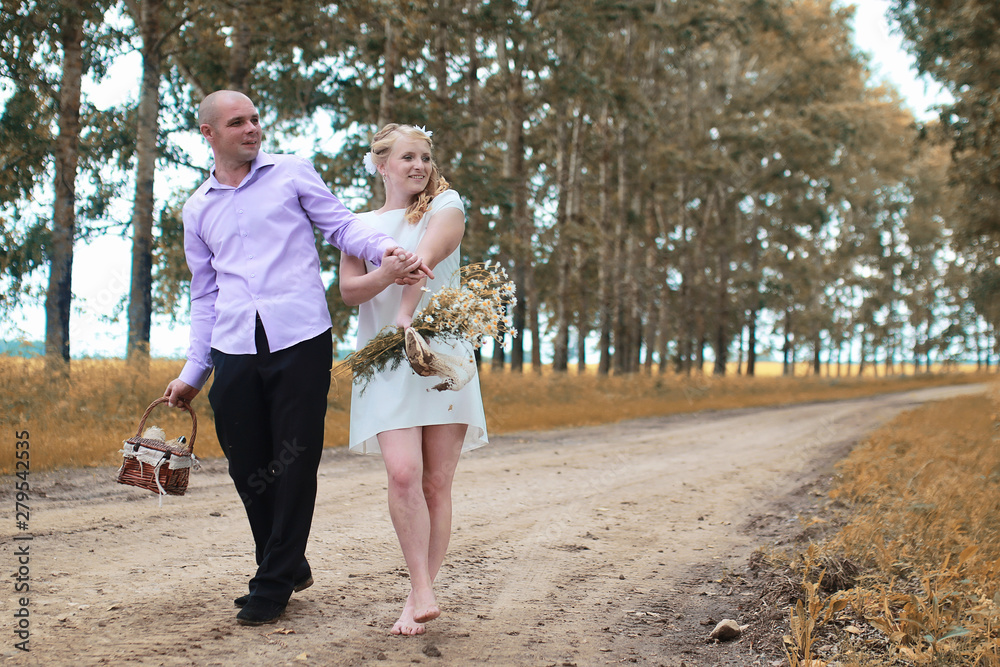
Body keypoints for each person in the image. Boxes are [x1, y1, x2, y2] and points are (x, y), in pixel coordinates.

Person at [162, 91, 432, 627]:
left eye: (256, 119)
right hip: (235, 345)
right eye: (237, 122)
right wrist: (195, 371)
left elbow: (341, 226)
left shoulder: (292, 173)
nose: (252, 129)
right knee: (247, 465)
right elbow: (204, 295)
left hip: (302, 337)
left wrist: (384, 252)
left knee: (293, 460)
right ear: (209, 134)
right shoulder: (198, 208)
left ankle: (271, 582)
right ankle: (287, 561)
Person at [340, 124, 488, 636]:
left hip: (441, 353)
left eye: (425, 156)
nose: (419, 166)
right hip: (384, 359)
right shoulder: (358, 225)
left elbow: (430, 255)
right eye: (407, 157)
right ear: (381, 165)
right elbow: (349, 292)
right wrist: (384, 278)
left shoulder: (446, 204)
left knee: (435, 481)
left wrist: (405, 314)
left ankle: (417, 593)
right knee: (403, 473)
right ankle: (422, 585)